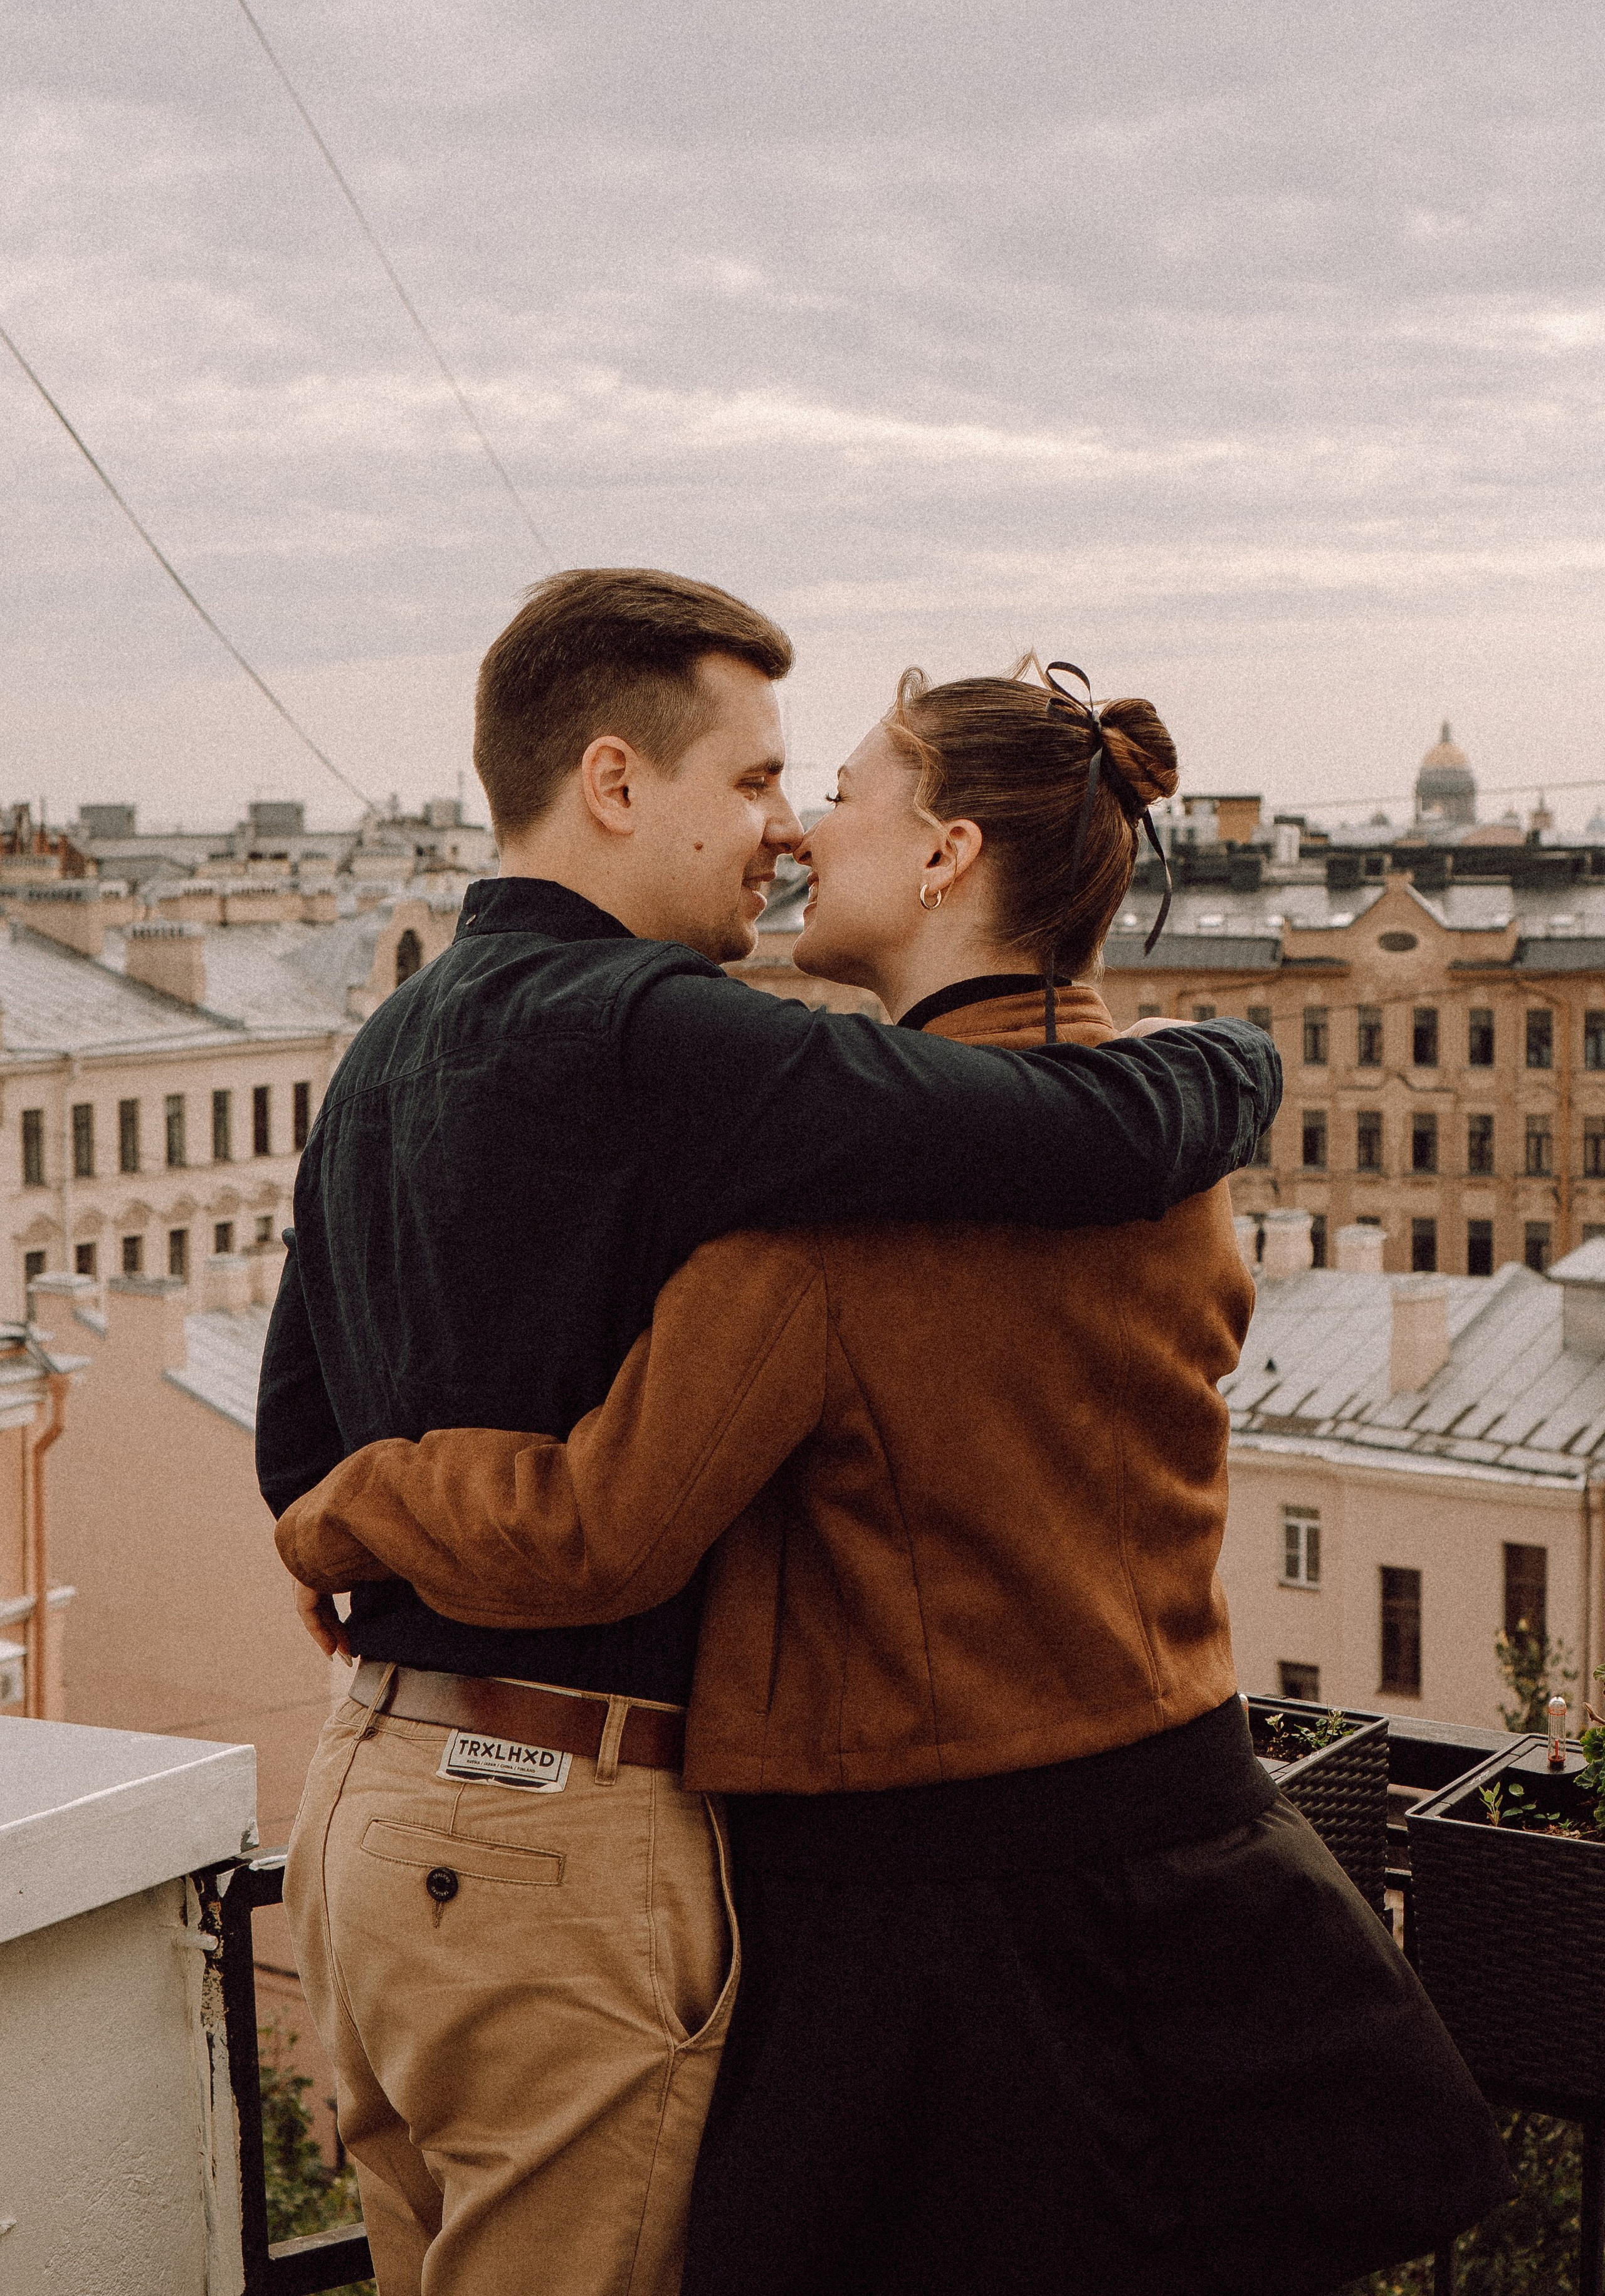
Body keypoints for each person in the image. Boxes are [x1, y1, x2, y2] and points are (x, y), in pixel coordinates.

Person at [277, 660, 1513, 2296]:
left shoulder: (821, 1226)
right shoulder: (1172, 1175)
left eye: (838, 791)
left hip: (929, 1937)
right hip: (1200, 1862)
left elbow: (599, 1529)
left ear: (946, 854)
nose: (797, 832)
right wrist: (1228, 1058)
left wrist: (342, 1510)